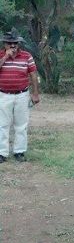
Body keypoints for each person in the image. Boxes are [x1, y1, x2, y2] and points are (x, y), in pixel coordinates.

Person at [0, 30, 40, 163]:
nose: (13, 46)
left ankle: (19, 151)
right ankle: (2, 153)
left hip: (22, 94)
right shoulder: (0, 55)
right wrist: (5, 57)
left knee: (21, 125)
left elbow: (33, 75)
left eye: (15, 43)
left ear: (19, 44)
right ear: (5, 44)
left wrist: (35, 93)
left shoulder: (26, 56)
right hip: (3, 94)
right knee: (2, 125)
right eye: (10, 43)